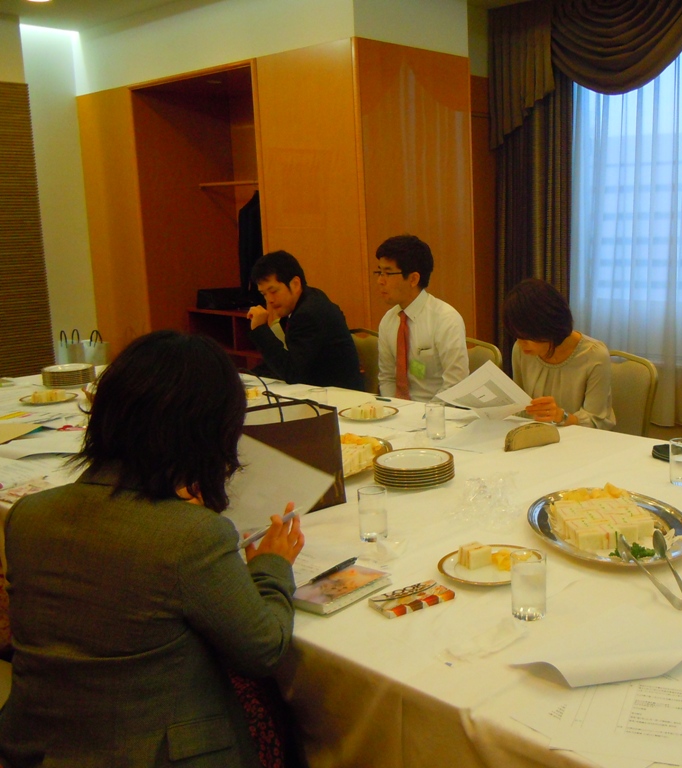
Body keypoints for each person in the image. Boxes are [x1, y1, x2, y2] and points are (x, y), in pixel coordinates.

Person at [0, 330, 306, 767]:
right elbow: (264, 649)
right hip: (152, 753)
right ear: (208, 435)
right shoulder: (191, 538)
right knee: (287, 718)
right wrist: (272, 565)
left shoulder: (28, 515)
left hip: (37, 748)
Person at [503, 278, 615, 430]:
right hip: (536, 435)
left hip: (580, 439)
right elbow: (521, 407)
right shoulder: (521, 350)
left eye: (527, 336)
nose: (521, 343)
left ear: (548, 326)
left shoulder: (594, 355)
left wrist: (562, 417)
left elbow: (597, 421)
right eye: (517, 336)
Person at [248, 250, 364, 390]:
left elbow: (293, 373)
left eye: (273, 291)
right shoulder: (309, 299)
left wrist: (260, 330)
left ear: (295, 284)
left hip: (340, 396)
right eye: (264, 294)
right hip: (321, 390)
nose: (269, 300)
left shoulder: (308, 313)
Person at [375, 235, 469, 401]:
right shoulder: (388, 321)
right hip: (398, 411)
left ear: (413, 279)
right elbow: (387, 378)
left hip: (440, 411)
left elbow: (456, 384)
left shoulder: (445, 319)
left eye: (388, 273)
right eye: (379, 272)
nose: (380, 281)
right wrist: (396, 409)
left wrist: (427, 413)